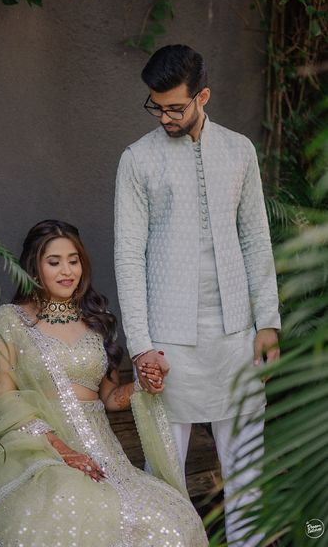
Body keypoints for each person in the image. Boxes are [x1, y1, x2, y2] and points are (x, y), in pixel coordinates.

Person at [0, 219, 208, 547]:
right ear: (34, 267)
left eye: (73, 260)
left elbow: (109, 397)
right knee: (68, 505)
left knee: (173, 520)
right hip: (37, 451)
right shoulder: (10, 320)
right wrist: (63, 452)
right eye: (54, 262)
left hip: (105, 456)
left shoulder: (96, 319)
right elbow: (3, 397)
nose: (67, 270)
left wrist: (142, 386)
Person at [114, 45, 281, 546]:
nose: (164, 117)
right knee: (163, 474)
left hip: (237, 333)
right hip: (169, 341)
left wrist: (267, 321)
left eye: (175, 108)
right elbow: (128, 255)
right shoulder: (137, 160)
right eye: (156, 106)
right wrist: (142, 347)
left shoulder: (240, 151)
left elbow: (255, 238)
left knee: (247, 468)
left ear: (202, 96)